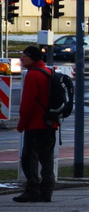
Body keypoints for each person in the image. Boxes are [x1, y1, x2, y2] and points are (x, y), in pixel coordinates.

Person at [13, 45, 57, 202]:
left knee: (29, 158)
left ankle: (32, 190)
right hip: (50, 123)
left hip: (35, 124)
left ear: (32, 58)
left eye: (24, 56)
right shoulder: (48, 72)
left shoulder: (33, 76)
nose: (21, 58)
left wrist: (21, 124)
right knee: (47, 159)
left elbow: (27, 104)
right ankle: (47, 190)